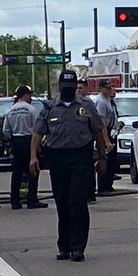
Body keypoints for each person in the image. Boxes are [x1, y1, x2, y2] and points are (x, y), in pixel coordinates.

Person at [30, 70, 107, 262]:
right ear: (59, 87)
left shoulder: (86, 105)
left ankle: (78, 247)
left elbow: (98, 131)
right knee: (62, 202)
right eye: (64, 88)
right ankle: (63, 246)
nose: (68, 91)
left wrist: (102, 157)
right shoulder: (49, 107)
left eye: (70, 88)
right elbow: (38, 133)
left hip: (80, 157)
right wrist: (33, 157)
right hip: (57, 158)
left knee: (77, 201)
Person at [4, 85, 46, 210]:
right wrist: (38, 145)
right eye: (30, 95)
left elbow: (6, 130)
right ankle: (32, 199)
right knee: (33, 170)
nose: (31, 98)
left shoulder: (11, 110)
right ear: (25, 95)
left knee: (17, 172)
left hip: (16, 141)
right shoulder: (31, 109)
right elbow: (37, 129)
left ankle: (15, 201)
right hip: (29, 141)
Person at [93, 80, 119, 195]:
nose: (110, 90)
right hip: (105, 133)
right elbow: (101, 123)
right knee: (104, 160)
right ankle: (103, 186)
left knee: (112, 161)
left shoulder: (108, 100)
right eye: (108, 88)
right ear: (102, 88)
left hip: (112, 132)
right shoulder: (101, 102)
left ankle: (108, 185)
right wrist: (106, 140)